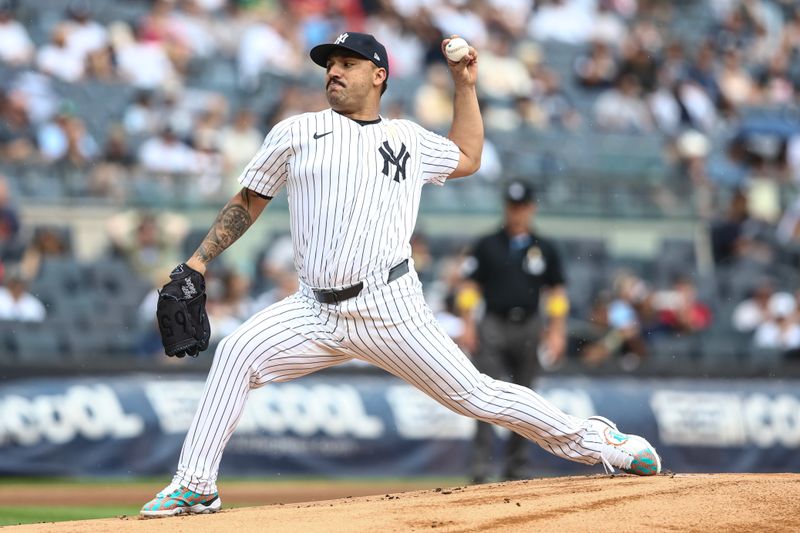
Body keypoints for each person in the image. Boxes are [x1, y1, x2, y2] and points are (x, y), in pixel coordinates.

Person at [140, 32, 661, 518]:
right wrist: (196, 262)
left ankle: (600, 444)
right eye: (330, 65)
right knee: (235, 353)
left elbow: (469, 156)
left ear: (379, 75)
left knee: (476, 395)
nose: (334, 72)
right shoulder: (297, 132)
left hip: (391, 307)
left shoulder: (408, 139)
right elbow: (249, 200)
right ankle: (196, 484)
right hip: (313, 308)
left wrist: (465, 84)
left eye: (348, 64)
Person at [461, 180, 569, 483]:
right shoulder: (487, 244)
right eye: (512, 206)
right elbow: (470, 288)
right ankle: (481, 468)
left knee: (527, 397)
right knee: (480, 396)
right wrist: (468, 324)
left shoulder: (544, 248)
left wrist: (557, 331)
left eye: (521, 207)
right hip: (493, 324)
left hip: (530, 326)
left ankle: (517, 467)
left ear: (531, 208)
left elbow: (556, 294)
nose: (516, 213)